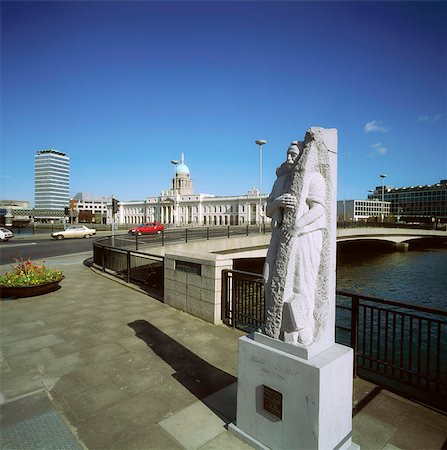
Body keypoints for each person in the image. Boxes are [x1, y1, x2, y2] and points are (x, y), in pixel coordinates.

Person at [263, 139, 326, 346]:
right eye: (287, 154)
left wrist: (297, 227)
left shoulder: (315, 178)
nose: (289, 158)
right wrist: (279, 202)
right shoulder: (280, 181)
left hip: (304, 237)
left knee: (303, 283)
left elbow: (318, 210)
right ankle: (273, 323)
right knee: (268, 279)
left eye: (293, 155)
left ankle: (302, 328)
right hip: (278, 237)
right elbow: (267, 211)